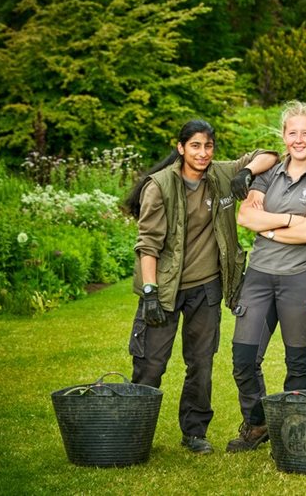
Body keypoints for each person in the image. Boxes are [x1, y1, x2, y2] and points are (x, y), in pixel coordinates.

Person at [125, 119, 278, 455]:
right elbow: (147, 243)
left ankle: (194, 432)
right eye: (195, 145)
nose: (203, 153)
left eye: (208, 146)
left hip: (206, 289)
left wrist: (247, 173)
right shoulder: (160, 185)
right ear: (180, 148)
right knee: (151, 363)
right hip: (164, 289)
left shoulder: (221, 175)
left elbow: (270, 154)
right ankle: (134, 433)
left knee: (201, 364)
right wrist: (149, 291)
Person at [226, 101, 306, 452]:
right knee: (244, 358)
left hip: (300, 278)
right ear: (284, 136)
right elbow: (246, 218)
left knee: (298, 362)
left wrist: (271, 226)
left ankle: (297, 433)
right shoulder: (266, 174)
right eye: (293, 133)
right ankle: (258, 423)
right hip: (259, 276)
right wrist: (291, 220)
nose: (299, 139)